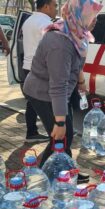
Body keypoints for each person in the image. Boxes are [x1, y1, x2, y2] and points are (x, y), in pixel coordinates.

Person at [23, 0, 102, 182]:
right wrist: (59, 123)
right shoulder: (59, 42)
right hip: (42, 92)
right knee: (60, 135)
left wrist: (81, 81)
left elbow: (75, 62)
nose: (95, 21)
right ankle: (42, 180)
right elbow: (57, 85)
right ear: (78, 16)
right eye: (92, 17)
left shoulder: (75, 32)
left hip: (57, 91)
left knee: (64, 136)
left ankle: (64, 172)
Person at [21, 0, 58, 143]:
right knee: (49, 102)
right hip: (42, 70)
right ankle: (55, 133)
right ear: (46, 6)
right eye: (54, 6)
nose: (56, 9)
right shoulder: (46, 24)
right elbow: (52, 48)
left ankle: (32, 132)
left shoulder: (28, 21)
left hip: (27, 67)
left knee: (32, 101)